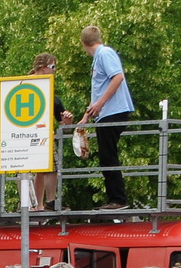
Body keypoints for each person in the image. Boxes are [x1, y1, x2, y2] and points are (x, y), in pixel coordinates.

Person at [77, 25, 134, 210]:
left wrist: (100, 104)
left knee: (108, 155)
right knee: (105, 155)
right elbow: (99, 89)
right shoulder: (101, 57)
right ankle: (115, 198)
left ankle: (118, 199)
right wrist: (87, 115)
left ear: (84, 44)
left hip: (112, 111)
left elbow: (118, 77)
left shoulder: (104, 54)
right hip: (105, 112)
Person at [31, 53, 75, 208]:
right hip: (27, 135)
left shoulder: (51, 97)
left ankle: (44, 203)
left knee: (47, 168)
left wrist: (67, 122)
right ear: (43, 68)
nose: (55, 71)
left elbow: (63, 122)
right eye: (53, 67)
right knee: (39, 169)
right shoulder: (24, 87)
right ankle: (38, 204)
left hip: (43, 136)